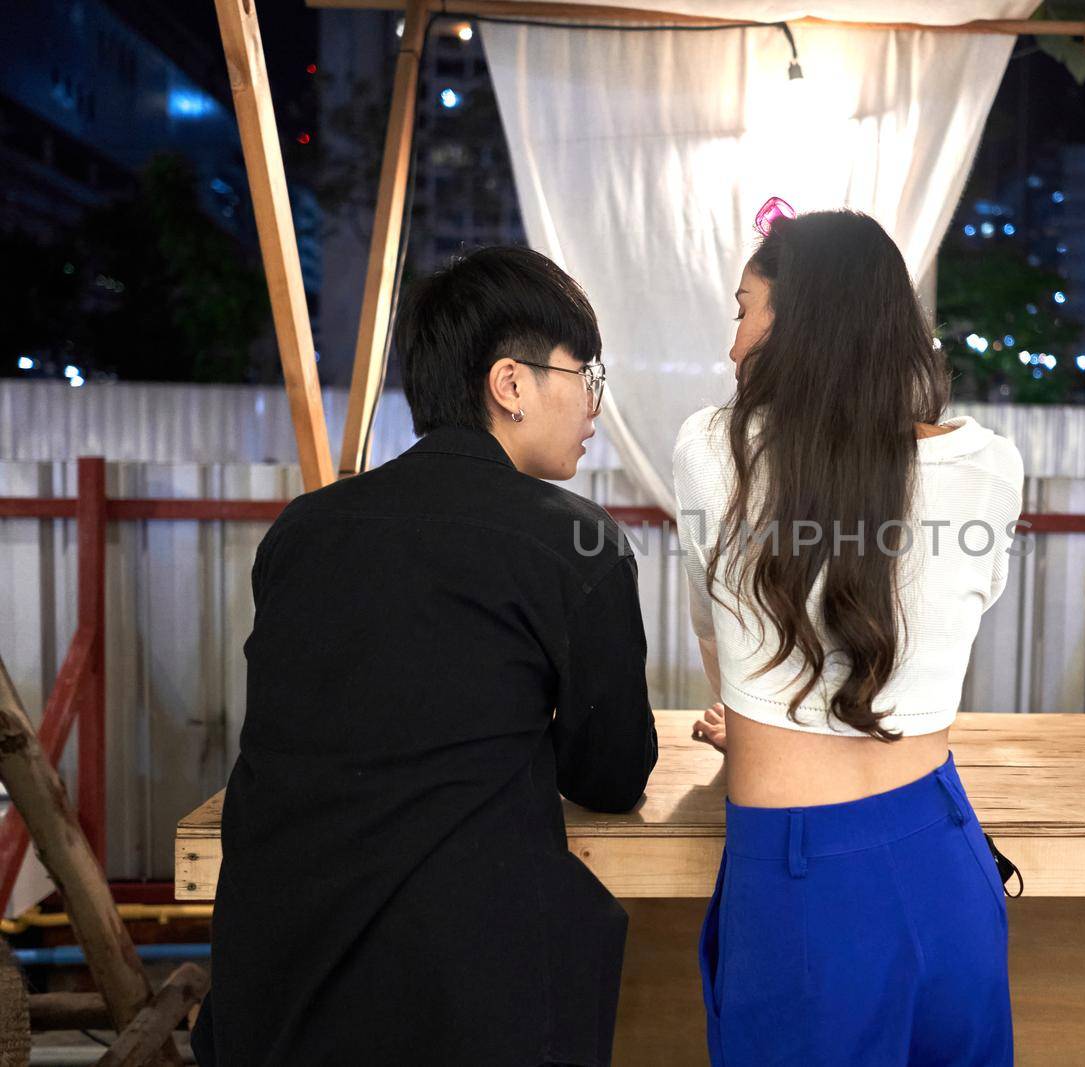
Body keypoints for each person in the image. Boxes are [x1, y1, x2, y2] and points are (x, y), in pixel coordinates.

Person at [194, 246, 658, 1067]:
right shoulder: (575, 543)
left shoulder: (301, 532)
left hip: (269, 993)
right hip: (471, 1009)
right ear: (510, 384)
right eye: (585, 372)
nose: (594, 403)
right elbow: (612, 774)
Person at [672, 209, 1025, 1065]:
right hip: (946, 857)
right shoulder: (990, 466)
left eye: (743, 309)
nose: (733, 346)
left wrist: (751, 723)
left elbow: (722, 647)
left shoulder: (713, 451)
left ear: (799, 322)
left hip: (803, 888)